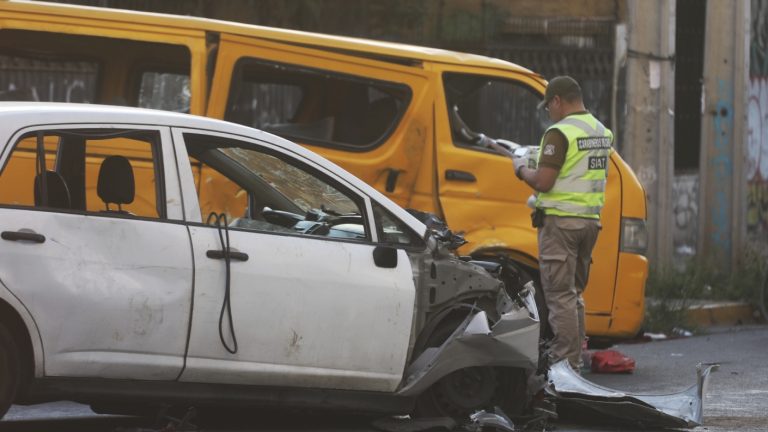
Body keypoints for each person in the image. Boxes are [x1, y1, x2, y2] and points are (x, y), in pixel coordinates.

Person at [510, 76, 612, 371]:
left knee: (559, 295)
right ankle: (576, 358)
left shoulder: (559, 133)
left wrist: (521, 170)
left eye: (548, 107)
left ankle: (565, 363)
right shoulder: (600, 131)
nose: (548, 113)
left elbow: (543, 181)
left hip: (561, 224)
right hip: (589, 222)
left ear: (557, 101)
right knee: (574, 293)